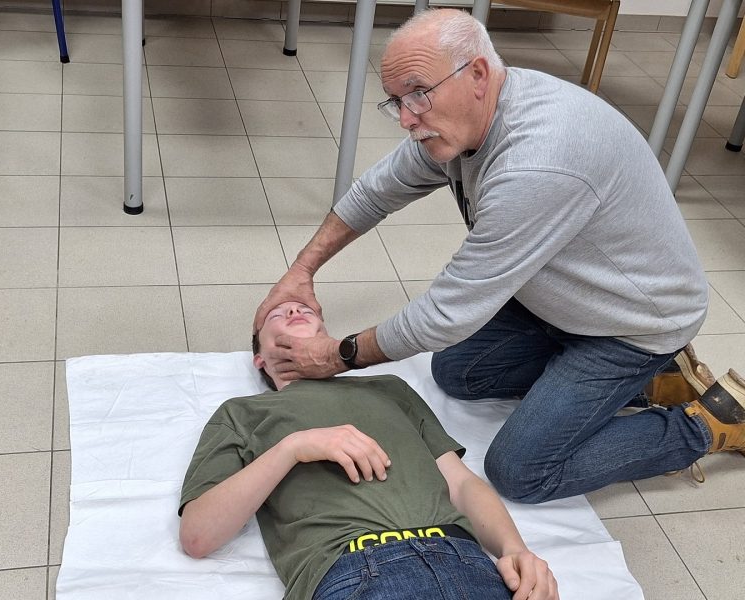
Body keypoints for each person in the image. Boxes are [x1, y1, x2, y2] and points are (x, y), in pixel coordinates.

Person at [252, 8, 745, 505]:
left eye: (418, 94)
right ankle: (654, 381)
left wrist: (336, 355)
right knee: (456, 372)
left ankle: (711, 422)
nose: (406, 118)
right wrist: (301, 271)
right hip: (562, 298)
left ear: (478, 75)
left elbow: (444, 315)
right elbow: (375, 192)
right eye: (396, 101)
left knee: (520, 472)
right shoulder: (465, 116)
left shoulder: (537, 163)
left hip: (632, 324)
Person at [178, 301, 559, 600]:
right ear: (260, 358)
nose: (293, 310)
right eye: (276, 314)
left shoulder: (389, 388)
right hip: (351, 572)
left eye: (304, 308)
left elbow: (459, 483)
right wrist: (293, 447)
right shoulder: (242, 413)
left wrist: (514, 549)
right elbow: (198, 535)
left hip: (468, 563)